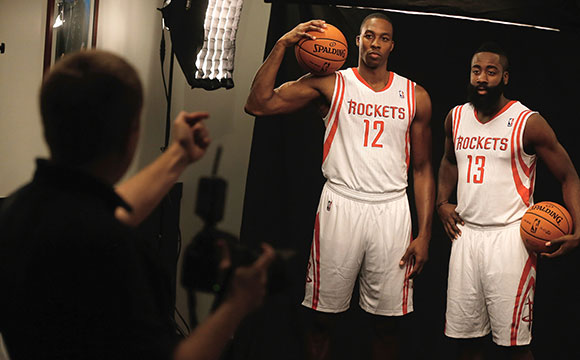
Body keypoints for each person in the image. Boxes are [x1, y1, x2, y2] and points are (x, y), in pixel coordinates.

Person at [0, 49, 275, 360]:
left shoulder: (18, 212)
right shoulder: (112, 249)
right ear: (132, 134)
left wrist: (178, 155)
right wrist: (236, 304)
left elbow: (103, 212)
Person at [245, 13, 435, 359]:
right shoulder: (332, 84)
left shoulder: (415, 95)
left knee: (387, 324)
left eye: (383, 38)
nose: (375, 43)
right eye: (369, 36)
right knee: (322, 318)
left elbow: (423, 169)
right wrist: (282, 44)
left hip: (392, 210)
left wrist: (424, 234)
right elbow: (258, 103)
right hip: (341, 204)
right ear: (357, 40)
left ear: (392, 45)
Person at [436, 42, 580, 359]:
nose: (482, 78)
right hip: (465, 237)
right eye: (476, 71)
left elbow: (569, 175)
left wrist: (578, 229)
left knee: (515, 346)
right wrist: (442, 202)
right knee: (466, 341)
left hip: (510, 239)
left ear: (505, 77)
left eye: (491, 71)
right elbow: (448, 161)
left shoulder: (527, 122)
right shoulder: (456, 117)